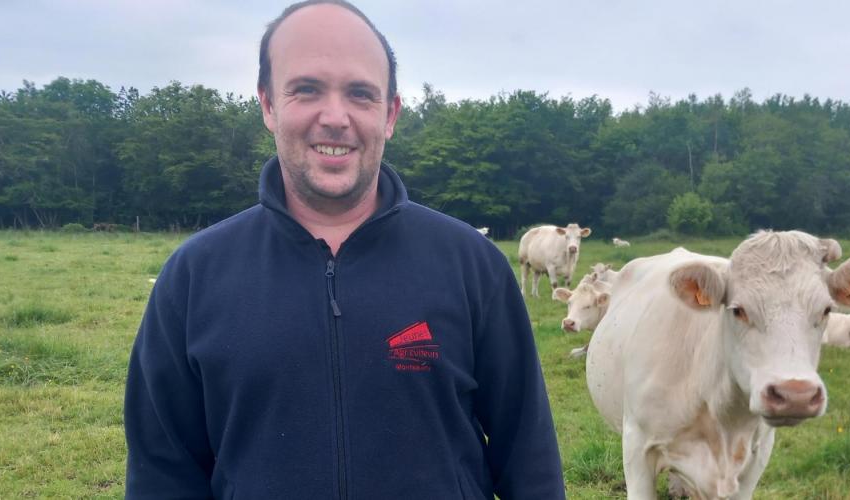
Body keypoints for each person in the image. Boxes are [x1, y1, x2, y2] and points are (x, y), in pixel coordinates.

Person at [123, 1, 565, 498]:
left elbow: (530, 462)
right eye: (307, 89)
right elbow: (162, 474)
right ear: (268, 104)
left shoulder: (472, 266)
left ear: (390, 113)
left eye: (360, 94)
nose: (335, 118)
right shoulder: (193, 277)